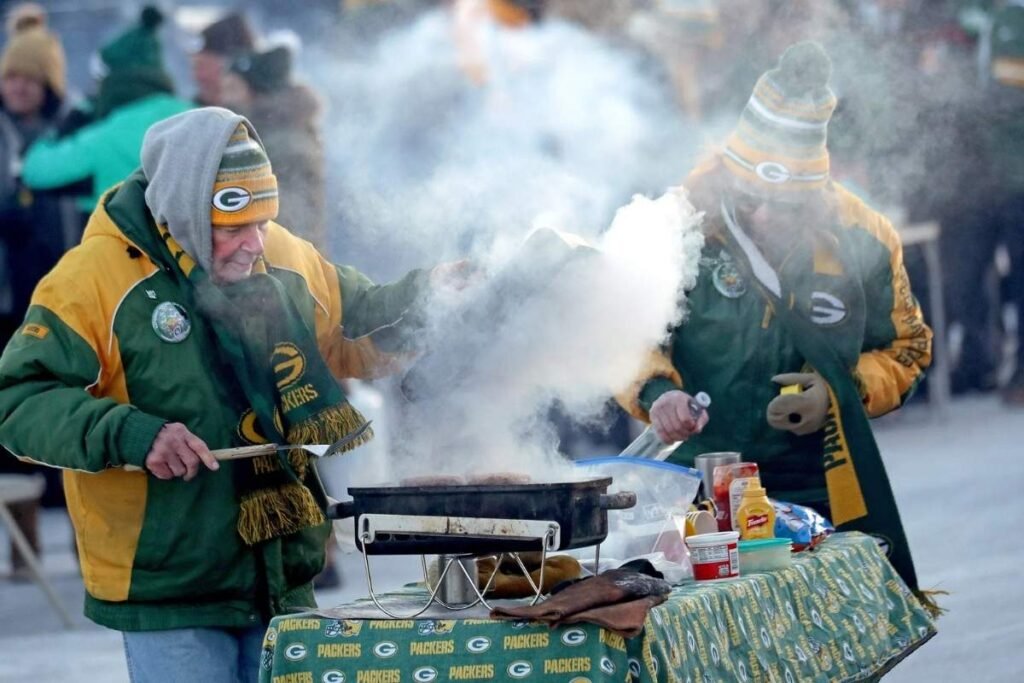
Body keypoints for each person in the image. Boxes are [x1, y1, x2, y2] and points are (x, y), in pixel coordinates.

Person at [0, 107, 459, 681]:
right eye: (233, 228)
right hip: (169, 581)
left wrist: (434, 298)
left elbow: (356, 325)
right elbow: (19, 399)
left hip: (281, 573)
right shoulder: (91, 281)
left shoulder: (282, 257)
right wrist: (133, 435)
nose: (254, 245)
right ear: (187, 213)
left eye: (263, 223)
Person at [618, 42, 937, 611]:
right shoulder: (675, 225)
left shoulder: (865, 236)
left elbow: (909, 350)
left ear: (816, 194)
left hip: (821, 488)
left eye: (786, 205)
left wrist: (843, 390)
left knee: (826, 640)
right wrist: (659, 393)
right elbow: (622, 335)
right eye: (751, 200)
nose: (765, 216)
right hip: (698, 495)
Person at [0, 1, 79, 580]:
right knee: (12, 410)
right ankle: (23, 550)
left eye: (29, 79)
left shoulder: (75, 129)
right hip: (7, 292)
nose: (18, 88)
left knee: (70, 405)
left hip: (62, 289)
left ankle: (83, 540)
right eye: (10, 77)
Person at [18, 6, 192, 211]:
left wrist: (66, 125)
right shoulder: (196, 116)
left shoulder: (106, 135)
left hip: (122, 239)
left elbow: (36, 172)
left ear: (113, 80)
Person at [221, 45, 327, 249]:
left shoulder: (285, 145)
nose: (225, 99)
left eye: (233, 89)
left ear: (255, 92)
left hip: (286, 266)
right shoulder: (269, 134)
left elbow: (290, 217)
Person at [193, 11, 257, 107]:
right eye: (196, 67)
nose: (198, 76)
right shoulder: (193, 110)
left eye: (203, 66)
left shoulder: (270, 114)